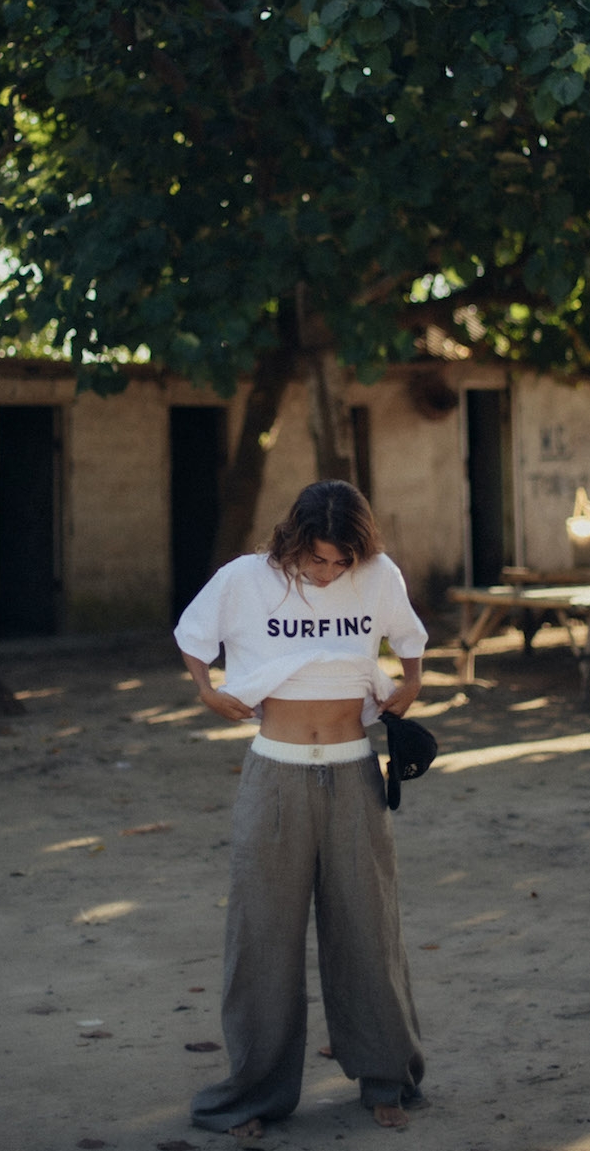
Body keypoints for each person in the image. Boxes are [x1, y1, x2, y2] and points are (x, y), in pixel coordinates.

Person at [175, 479, 428, 1138]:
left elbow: (410, 643)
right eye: (318, 558)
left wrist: (412, 682)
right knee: (262, 937)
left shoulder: (376, 575)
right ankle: (255, 1091)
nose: (330, 570)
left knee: (368, 930)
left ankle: (384, 1075)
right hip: (275, 773)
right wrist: (206, 690)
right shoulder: (244, 579)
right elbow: (192, 635)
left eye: (342, 559)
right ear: (292, 539)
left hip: (352, 771)